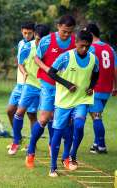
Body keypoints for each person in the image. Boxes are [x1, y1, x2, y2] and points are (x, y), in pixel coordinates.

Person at [47, 30, 99, 177]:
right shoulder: (65, 57)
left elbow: (96, 74)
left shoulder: (94, 59)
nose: (84, 49)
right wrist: (67, 84)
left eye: (87, 46)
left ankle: (72, 155)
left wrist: (91, 87)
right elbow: (51, 72)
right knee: (57, 133)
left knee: (79, 125)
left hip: (82, 99)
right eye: (82, 46)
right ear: (76, 43)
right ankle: (53, 167)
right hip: (63, 101)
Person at [27, 15, 76, 158]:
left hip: (66, 87)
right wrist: (47, 69)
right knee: (43, 118)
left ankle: (60, 151)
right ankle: (31, 150)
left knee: (65, 120)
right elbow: (36, 58)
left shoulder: (75, 42)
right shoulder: (47, 41)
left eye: (70, 32)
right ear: (58, 26)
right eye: (64, 31)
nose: (66, 34)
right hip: (48, 83)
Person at [9, 24, 50, 156]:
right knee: (19, 111)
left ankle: (49, 144)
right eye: (37, 39)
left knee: (48, 117)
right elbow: (20, 63)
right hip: (31, 84)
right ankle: (16, 141)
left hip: (47, 86)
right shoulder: (27, 47)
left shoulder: (51, 48)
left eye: (41, 40)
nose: (39, 43)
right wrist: (24, 72)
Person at [85, 23, 117, 154]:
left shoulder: (91, 48)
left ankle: (102, 146)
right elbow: (115, 69)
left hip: (95, 88)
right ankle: (96, 143)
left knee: (96, 116)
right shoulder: (110, 48)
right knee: (97, 116)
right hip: (107, 88)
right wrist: (115, 86)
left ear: (91, 34)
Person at [6, 22, 36, 142]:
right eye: (25, 33)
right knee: (10, 111)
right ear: (21, 31)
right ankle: (17, 137)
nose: (27, 35)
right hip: (19, 85)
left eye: (30, 33)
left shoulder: (37, 45)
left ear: (34, 32)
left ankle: (33, 144)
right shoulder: (21, 43)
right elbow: (20, 62)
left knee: (31, 115)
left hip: (32, 85)